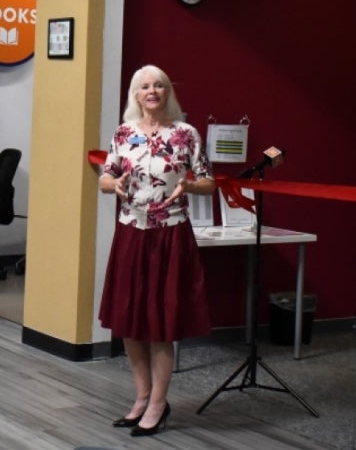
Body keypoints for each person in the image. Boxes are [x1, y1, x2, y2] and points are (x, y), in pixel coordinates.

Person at [97, 64, 214, 437]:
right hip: (132, 231)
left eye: (159, 85)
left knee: (161, 324)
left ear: (168, 92)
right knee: (130, 321)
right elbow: (105, 176)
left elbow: (209, 182)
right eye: (145, 86)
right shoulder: (123, 133)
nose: (152, 91)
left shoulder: (185, 134)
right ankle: (141, 397)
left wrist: (190, 188)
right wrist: (112, 184)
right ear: (135, 93)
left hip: (170, 234)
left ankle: (160, 403)